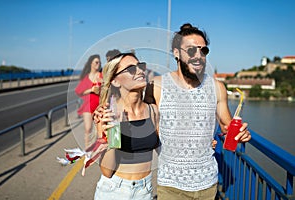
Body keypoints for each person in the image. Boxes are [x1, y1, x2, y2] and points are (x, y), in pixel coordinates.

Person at [142, 23, 251, 200]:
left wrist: (240, 134)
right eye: (191, 50)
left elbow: (226, 127)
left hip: (207, 184)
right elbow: (136, 116)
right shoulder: (157, 86)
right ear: (176, 53)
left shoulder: (217, 87)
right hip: (171, 185)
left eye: (203, 51)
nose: (198, 56)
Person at [94, 53, 159, 200]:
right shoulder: (107, 113)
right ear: (115, 81)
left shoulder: (153, 111)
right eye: (131, 69)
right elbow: (106, 171)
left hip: (145, 190)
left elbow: (165, 149)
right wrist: (114, 131)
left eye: (140, 66)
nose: (140, 71)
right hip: (114, 190)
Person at [75, 54, 103, 149]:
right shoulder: (86, 77)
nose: (98, 64)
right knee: (88, 129)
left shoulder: (101, 75)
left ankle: (97, 148)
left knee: (100, 129)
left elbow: (107, 89)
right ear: (91, 63)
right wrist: (91, 90)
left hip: (100, 105)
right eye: (96, 62)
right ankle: (88, 150)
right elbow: (79, 91)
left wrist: (102, 83)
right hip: (88, 105)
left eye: (99, 62)